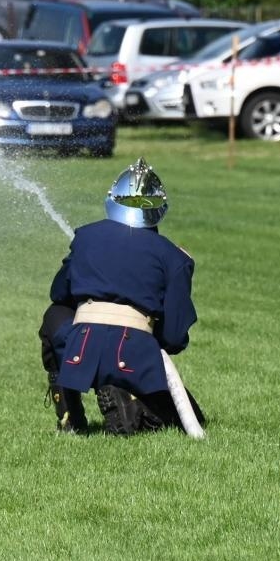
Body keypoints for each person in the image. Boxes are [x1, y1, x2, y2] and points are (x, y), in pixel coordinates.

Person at [40, 159, 204, 435]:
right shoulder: (174, 258)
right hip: (133, 353)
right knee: (190, 419)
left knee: (54, 316)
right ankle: (131, 401)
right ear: (159, 209)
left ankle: (70, 418)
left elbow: (59, 294)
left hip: (80, 348)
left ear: (113, 199)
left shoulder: (85, 236)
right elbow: (175, 338)